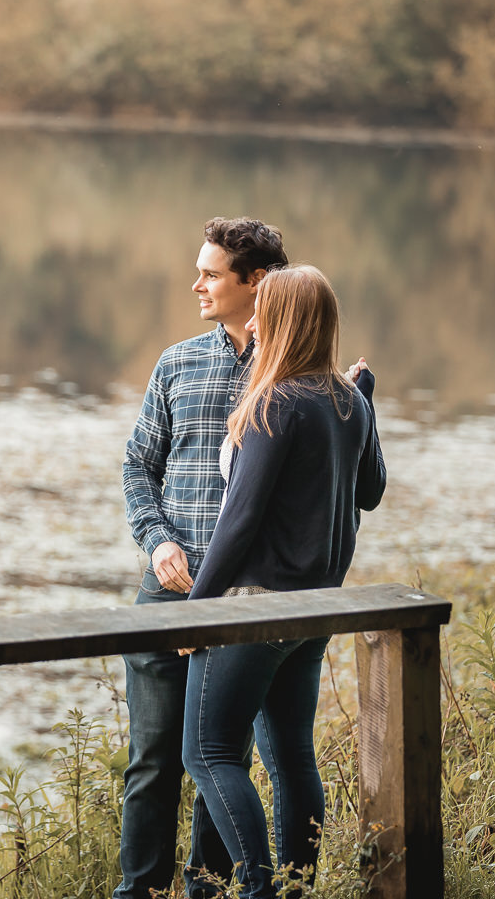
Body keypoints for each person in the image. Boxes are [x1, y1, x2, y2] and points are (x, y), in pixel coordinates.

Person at [181, 264, 386, 899]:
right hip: (312, 610)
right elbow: (372, 491)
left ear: (285, 321)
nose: (251, 320)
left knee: (209, 753)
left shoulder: (275, 402)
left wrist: (193, 609)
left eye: (262, 311)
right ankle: (298, 889)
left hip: (256, 606)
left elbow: (239, 522)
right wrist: (366, 406)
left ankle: (257, 888)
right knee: (292, 756)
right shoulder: (343, 400)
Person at [117, 216, 289, 899]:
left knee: (222, 759)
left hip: (243, 601)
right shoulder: (176, 362)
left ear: (257, 283)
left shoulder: (293, 376)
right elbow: (137, 465)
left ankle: (207, 892)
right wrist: (156, 540)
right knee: (152, 762)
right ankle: (139, 895)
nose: (197, 284)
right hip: (166, 592)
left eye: (212, 273)